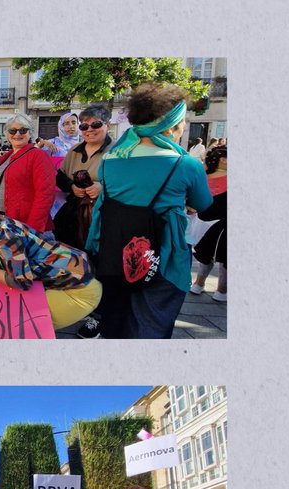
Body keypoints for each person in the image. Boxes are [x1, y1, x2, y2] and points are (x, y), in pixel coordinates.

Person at [85, 84, 214, 338]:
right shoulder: (185, 164)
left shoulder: (111, 159)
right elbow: (204, 205)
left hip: (115, 252)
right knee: (152, 325)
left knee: (117, 320)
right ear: (171, 126)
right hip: (164, 258)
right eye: (182, 123)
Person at [0, 191, 102, 332]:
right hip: (58, 284)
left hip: (80, 289)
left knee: (25, 326)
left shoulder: (3, 233)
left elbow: (22, 282)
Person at [54, 105, 113, 254]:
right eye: (84, 126)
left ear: (107, 125)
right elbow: (60, 176)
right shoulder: (75, 150)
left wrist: (103, 188)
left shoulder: (118, 151)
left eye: (96, 124)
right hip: (74, 217)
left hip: (103, 217)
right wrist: (71, 186)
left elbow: (128, 183)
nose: (89, 130)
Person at [0, 112, 56, 232]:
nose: (17, 134)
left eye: (23, 130)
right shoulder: (6, 157)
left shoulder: (38, 155)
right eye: (12, 131)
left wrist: (32, 229)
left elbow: (45, 194)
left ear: (30, 133)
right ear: (7, 135)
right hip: (2, 220)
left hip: (25, 224)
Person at [189, 144, 227, 302]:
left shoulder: (201, 175)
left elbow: (192, 199)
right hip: (222, 224)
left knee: (204, 255)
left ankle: (198, 284)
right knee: (225, 258)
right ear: (223, 160)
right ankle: (221, 290)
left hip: (200, 221)